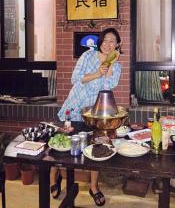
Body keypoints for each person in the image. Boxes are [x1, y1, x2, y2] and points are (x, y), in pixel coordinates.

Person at [51, 27, 122, 206]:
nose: (108, 44)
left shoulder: (117, 66)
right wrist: (97, 72)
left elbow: (109, 85)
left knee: (96, 149)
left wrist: (112, 62)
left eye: (112, 41)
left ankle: (93, 186)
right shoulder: (87, 56)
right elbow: (75, 79)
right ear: (100, 41)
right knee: (63, 146)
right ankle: (54, 178)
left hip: (95, 113)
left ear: (117, 45)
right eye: (105, 40)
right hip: (74, 107)